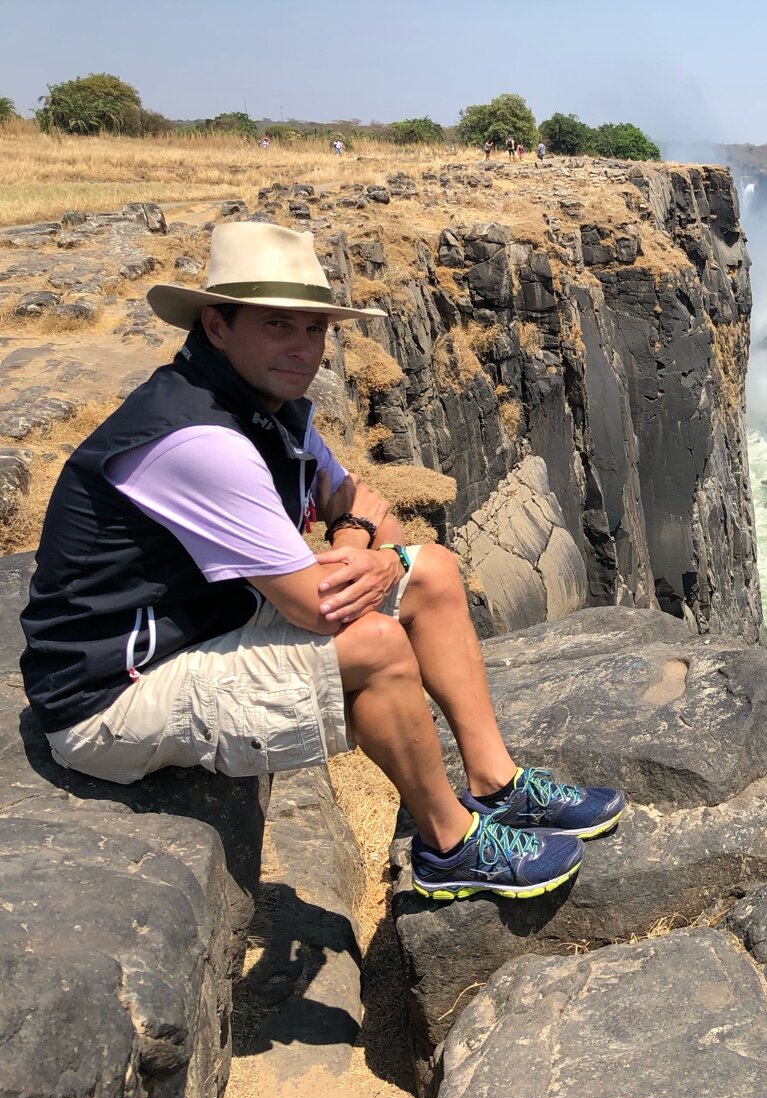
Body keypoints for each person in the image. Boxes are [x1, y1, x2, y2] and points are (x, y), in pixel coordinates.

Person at [20, 221, 625, 901]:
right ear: (217, 325)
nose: (303, 348)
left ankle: (496, 783)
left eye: (314, 329)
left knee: (433, 573)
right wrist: (354, 537)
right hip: (111, 695)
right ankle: (450, 847)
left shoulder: (270, 408)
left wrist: (367, 538)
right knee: (376, 646)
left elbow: (377, 515)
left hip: (205, 625)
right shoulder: (197, 439)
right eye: (279, 325)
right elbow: (323, 598)